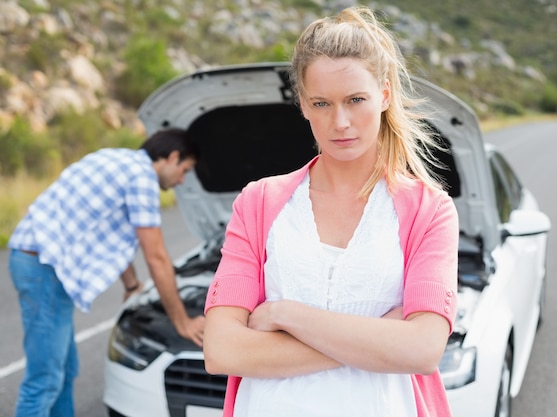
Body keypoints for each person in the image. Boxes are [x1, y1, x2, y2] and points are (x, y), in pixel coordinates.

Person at [203, 6, 459, 417]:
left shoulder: (429, 210)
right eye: (321, 103)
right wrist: (379, 339)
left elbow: (423, 349)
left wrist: (287, 315)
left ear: (384, 95)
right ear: (302, 104)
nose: (340, 122)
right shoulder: (258, 202)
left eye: (356, 99)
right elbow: (221, 350)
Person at [8, 127, 205, 417]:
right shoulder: (141, 178)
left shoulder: (116, 159)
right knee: (45, 378)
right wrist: (182, 322)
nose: (181, 180)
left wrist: (131, 285)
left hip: (39, 262)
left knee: (64, 370)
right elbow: (157, 257)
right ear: (173, 157)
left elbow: (110, 233)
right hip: (43, 270)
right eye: (185, 169)